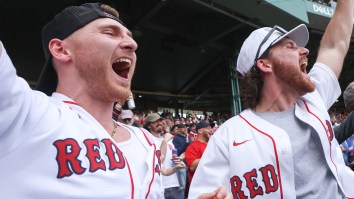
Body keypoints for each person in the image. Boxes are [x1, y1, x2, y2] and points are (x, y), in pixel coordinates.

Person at [189, 0, 354, 198]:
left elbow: (334, 46)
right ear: (265, 65)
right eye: (291, 46)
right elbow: (204, 193)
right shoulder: (228, 136)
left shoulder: (313, 99)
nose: (305, 50)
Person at [0, 3, 165, 198]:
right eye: (110, 33)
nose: (133, 44)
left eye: (129, 36)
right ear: (61, 50)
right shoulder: (24, 115)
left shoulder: (145, 139)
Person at [144, 113, 186, 199]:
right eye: (155, 121)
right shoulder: (146, 141)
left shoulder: (169, 139)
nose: (159, 123)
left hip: (174, 183)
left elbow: (172, 158)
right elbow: (159, 161)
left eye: (160, 120)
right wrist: (165, 141)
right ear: (148, 126)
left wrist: (178, 161)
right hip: (160, 186)